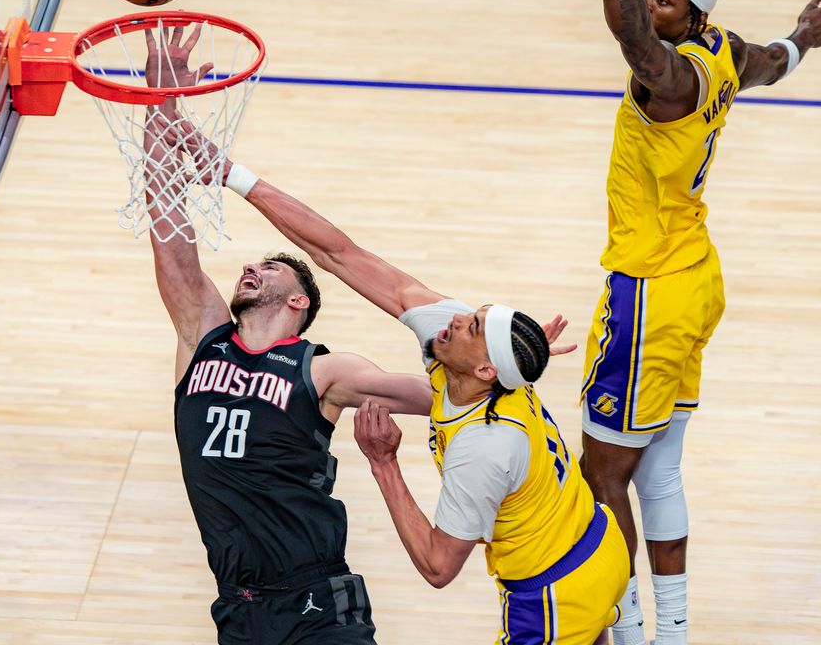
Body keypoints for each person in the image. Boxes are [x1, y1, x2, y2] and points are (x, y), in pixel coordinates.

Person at [563, 0, 821, 645]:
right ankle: (674, 633)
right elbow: (767, 65)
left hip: (651, 288)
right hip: (694, 277)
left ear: (687, 19)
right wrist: (805, 36)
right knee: (657, 470)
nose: (648, 5)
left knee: (603, 474)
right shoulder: (723, 49)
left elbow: (630, 38)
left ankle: (622, 632)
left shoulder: (674, 81)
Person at [207, 159, 630, 644]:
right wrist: (235, 176)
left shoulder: (483, 447)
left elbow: (437, 565)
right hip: (600, 545)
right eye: (472, 313)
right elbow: (339, 253)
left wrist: (384, 463)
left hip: (555, 596)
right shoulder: (461, 353)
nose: (454, 319)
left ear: (487, 370)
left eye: (472, 326)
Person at [142, 26, 432, 645]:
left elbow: (439, 393)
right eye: (250, 266)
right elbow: (170, 234)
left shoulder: (324, 371)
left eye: (268, 267)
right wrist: (162, 95)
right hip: (238, 606)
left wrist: (507, 358)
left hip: (315, 602)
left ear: (298, 301)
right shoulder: (204, 339)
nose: (249, 268)